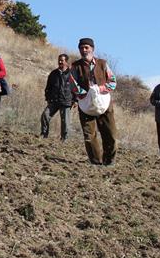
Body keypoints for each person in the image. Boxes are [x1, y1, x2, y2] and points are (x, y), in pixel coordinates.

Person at [70, 37, 117, 165]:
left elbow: (113, 82)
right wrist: (86, 94)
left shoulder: (103, 63)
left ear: (92, 49)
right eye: (81, 48)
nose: (84, 50)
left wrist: (100, 89)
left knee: (110, 134)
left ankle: (109, 161)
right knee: (89, 135)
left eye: (86, 47)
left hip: (104, 103)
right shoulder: (75, 66)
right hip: (85, 104)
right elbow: (73, 85)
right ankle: (96, 162)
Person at [41, 54, 73, 140]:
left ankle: (64, 140)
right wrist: (47, 98)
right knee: (45, 115)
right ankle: (44, 135)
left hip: (66, 101)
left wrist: (76, 100)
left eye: (62, 60)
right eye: (59, 60)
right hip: (53, 100)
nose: (59, 62)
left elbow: (76, 89)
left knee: (65, 122)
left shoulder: (72, 74)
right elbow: (48, 87)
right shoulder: (53, 73)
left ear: (66, 62)